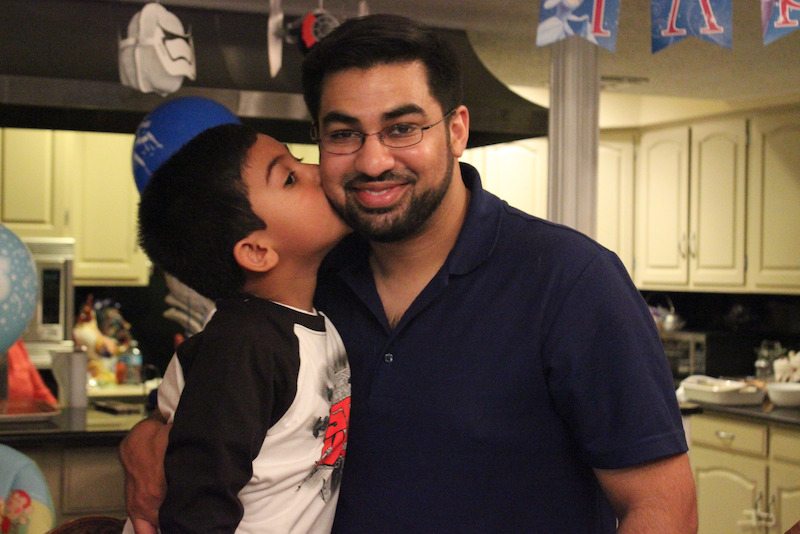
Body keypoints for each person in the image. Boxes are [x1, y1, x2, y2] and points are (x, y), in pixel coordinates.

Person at [121, 14, 698, 533]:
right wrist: (147, 436)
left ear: (456, 130)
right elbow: (215, 394)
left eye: (403, 128)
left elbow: (663, 509)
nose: (373, 161)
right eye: (344, 134)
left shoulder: (572, 281)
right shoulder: (305, 280)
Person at [129, 123, 351, 534]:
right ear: (256, 251)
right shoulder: (242, 346)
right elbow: (197, 503)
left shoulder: (305, 325)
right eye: (289, 177)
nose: (320, 170)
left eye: (299, 162)